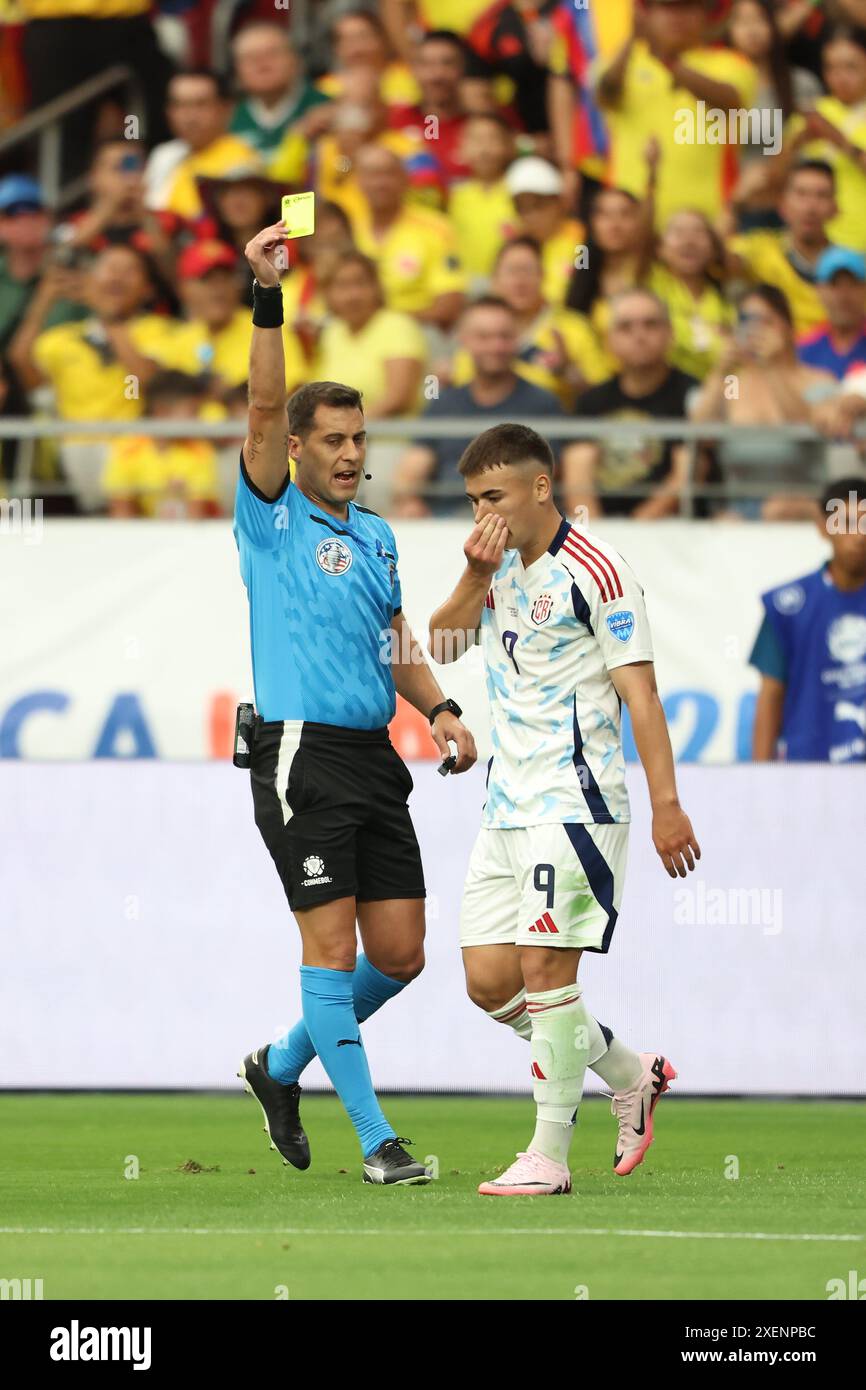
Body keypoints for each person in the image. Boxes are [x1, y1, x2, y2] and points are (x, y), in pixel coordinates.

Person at [234, 220, 477, 1185]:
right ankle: (378, 1141)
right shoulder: (270, 512)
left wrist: (440, 706)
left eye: (358, 438)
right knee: (330, 951)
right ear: (291, 448)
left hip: (375, 755)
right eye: (330, 439)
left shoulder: (375, 535)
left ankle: (278, 1066)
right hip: (300, 753)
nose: (348, 452)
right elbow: (259, 402)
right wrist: (268, 296)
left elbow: (396, 645)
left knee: (404, 954)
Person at [428, 421, 700, 1195]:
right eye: (473, 499)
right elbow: (440, 649)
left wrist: (667, 805)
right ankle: (629, 1071)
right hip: (505, 805)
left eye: (496, 496)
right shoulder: (494, 567)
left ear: (541, 487)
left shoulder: (599, 570)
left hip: (575, 804)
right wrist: (473, 577)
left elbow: (640, 694)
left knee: (547, 972)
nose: (484, 513)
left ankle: (548, 1156)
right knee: (490, 981)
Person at [392, 295, 564, 516]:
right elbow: (410, 473)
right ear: (464, 340)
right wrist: (409, 501)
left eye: (505, 336)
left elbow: (548, 477)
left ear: (518, 339)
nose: (496, 346)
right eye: (484, 337)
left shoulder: (543, 403)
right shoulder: (443, 404)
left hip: (516, 523)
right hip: (444, 524)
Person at [596, 0, 758, 229]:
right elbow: (605, 93)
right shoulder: (619, 63)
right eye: (667, 7)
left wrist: (668, 62)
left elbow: (730, 102)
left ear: (706, 14)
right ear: (647, 14)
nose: (677, 17)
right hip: (628, 227)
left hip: (706, 227)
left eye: (688, 7)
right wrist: (633, 39)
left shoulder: (732, 64)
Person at [690, 283, 838, 519]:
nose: (756, 330)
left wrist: (772, 368)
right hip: (740, 512)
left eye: (766, 321)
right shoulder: (734, 384)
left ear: (788, 328)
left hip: (802, 507)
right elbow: (701, 436)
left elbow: (803, 421)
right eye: (747, 320)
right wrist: (721, 372)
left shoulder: (815, 379)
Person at [750, 476, 866, 762]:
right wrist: (757, 781)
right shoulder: (788, 605)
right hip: (807, 774)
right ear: (823, 527)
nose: (859, 535)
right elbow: (770, 697)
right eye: (847, 523)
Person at [562, 288, 701, 518]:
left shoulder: (691, 394)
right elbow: (578, 480)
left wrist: (635, 529)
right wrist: (598, 540)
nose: (639, 335)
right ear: (610, 340)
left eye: (650, 324)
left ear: (670, 333)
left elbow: (688, 472)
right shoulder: (592, 400)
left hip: (671, 531)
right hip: (602, 531)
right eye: (625, 327)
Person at [450, 236, 609, 406]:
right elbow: (463, 383)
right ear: (494, 280)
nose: (520, 281)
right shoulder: (479, 328)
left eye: (528, 270)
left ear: (543, 276)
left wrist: (568, 373)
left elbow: (605, 398)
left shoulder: (575, 328)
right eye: (512, 271)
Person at [725, 0, 821, 232]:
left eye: (760, 20)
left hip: (794, 212)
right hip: (735, 207)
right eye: (743, 22)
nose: (752, 30)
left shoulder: (802, 84)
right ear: (728, 31)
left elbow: (814, 149)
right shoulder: (716, 86)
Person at [349, 144, 466, 329]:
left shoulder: (437, 228)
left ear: (405, 179)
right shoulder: (349, 231)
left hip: (421, 333)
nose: (380, 183)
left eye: (388, 174)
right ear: (358, 182)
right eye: (371, 175)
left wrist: (386, 323)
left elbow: (449, 306)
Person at [728, 161, 844, 336]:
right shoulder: (759, 248)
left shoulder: (850, 265)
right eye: (801, 194)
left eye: (821, 195)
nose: (810, 207)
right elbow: (712, 257)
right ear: (782, 205)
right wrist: (736, 202)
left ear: (835, 208)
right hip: (773, 358)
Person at [314, 252, 427, 417]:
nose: (353, 295)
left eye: (361, 283)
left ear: (377, 286)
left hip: (389, 438)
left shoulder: (397, 325)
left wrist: (343, 424)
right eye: (342, 285)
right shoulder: (332, 331)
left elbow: (399, 398)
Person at [103, 370, 218, 519]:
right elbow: (121, 513)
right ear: (162, 411)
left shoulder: (201, 450)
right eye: (193, 411)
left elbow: (196, 516)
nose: (198, 420)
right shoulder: (126, 448)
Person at [148, 70, 262, 220]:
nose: (189, 116)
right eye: (180, 105)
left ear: (226, 109)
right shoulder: (164, 154)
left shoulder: (243, 163)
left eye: (200, 104)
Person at [648, 209, 736, 379]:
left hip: (717, 394)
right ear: (659, 247)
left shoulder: (727, 303)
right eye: (678, 232)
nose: (689, 241)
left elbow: (733, 372)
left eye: (698, 232)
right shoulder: (648, 284)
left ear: (713, 248)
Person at [229, 22, 331, 161]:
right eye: (250, 58)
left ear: (296, 60)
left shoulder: (326, 108)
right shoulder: (228, 120)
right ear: (236, 70)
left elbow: (344, 167)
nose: (262, 64)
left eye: (272, 54)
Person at [564, 184, 650, 345]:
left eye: (625, 214)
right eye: (605, 215)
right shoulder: (582, 259)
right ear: (592, 223)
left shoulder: (649, 270)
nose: (614, 224)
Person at [387, 29, 472, 184]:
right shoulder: (393, 120)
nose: (437, 75)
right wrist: (343, 164)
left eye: (447, 63)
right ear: (414, 70)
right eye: (427, 64)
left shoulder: (482, 126)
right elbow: (347, 165)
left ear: (463, 69)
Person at [504, 156, 585, 307]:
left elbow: (585, 280)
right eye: (522, 209)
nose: (531, 216)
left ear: (559, 203)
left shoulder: (582, 242)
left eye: (538, 206)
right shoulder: (515, 246)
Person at [447, 112, 516, 284]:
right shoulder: (452, 196)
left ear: (509, 146)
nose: (484, 149)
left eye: (493, 140)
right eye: (476, 140)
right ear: (461, 147)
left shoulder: (520, 192)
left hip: (510, 283)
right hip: (465, 284)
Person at [797, 247, 866, 379]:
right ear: (819, 290)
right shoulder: (804, 348)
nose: (843, 295)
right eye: (834, 284)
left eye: (852, 284)